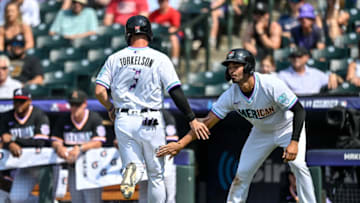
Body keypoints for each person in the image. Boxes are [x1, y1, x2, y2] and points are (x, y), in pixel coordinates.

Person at [156, 48, 317, 203]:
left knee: (298, 165)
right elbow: (206, 123)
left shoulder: (269, 84)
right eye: (230, 67)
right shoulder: (231, 95)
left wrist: (294, 141)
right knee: (242, 174)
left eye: (236, 66)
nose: (232, 71)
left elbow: (299, 110)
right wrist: (180, 144)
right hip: (261, 132)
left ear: (248, 67)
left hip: (287, 127)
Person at [94, 15, 209, 202]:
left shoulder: (115, 58)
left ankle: (131, 170)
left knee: (134, 166)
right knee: (156, 175)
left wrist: (110, 107)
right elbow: (175, 91)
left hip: (124, 118)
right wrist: (192, 118)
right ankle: (134, 171)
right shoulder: (159, 58)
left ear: (128, 34)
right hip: (151, 119)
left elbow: (99, 91)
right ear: (149, 33)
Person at [51, 89, 106, 203]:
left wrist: (80, 148)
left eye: (78, 104)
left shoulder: (94, 118)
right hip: (73, 168)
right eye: (72, 104)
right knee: (76, 200)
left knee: (92, 201)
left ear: (85, 103)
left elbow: (98, 142)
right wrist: (59, 147)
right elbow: (56, 140)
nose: (75, 107)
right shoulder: (64, 119)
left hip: (91, 169)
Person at [0, 88, 53, 203]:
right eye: (16, 101)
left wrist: (14, 139)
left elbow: (40, 142)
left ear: (29, 101)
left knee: (47, 198)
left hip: (43, 165)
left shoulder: (39, 115)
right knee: (17, 198)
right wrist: (10, 144)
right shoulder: (6, 117)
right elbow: (4, 138)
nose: (18, 104)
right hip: (25, 165)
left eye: (22, 101)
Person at [138, 109, 178, 203]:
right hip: (144, 159)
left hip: (165, 158)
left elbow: (172, 140)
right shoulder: (137, 114)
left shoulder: (164, 114)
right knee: (145, 193)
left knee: (169, 194)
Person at [277, 46, 342, 95]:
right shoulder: (283, 75)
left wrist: (335, 76)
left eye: (299, 56)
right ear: (290, 58)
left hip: (315, 107)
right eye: (293, 56)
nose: (296, 59)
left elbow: (341, 81)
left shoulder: (316, 74)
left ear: (306, 57)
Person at [149, 0, 182, 67]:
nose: (162, 3)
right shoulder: (154, 14)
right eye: (160, 1)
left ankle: (174, 60)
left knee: (173, 38)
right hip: (157, 35)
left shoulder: (174, 12)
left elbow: (175, 27)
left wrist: (165, 30)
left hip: (170, 35)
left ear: (167, 2)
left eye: (163, 1)